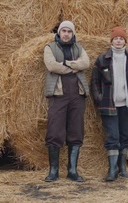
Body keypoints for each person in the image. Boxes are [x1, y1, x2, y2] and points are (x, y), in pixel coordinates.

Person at [90, 26, 128, 181]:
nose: (118, 41)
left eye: (121, 38)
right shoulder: (103, 59)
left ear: (125, 41)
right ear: (111, 41)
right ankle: (112, 169)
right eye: (116, 38)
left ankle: (122, 166)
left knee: (126, 135)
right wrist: (99, 99)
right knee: (112, 136)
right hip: (109, 104)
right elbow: (94, 82)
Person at [43, 20, 90, 182]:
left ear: (73, 34)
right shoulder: (50, 48)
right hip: (58, 94)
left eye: (69, 31)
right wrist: (73, 68)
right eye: (63, 31)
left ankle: (72, 170)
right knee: (54, 130)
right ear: (59, 33)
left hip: (77, 94)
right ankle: (53, 171)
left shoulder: (79, 48)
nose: (66, 34)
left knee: (76, 130)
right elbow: (51, 66)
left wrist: (65, 64)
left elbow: (86, 63)